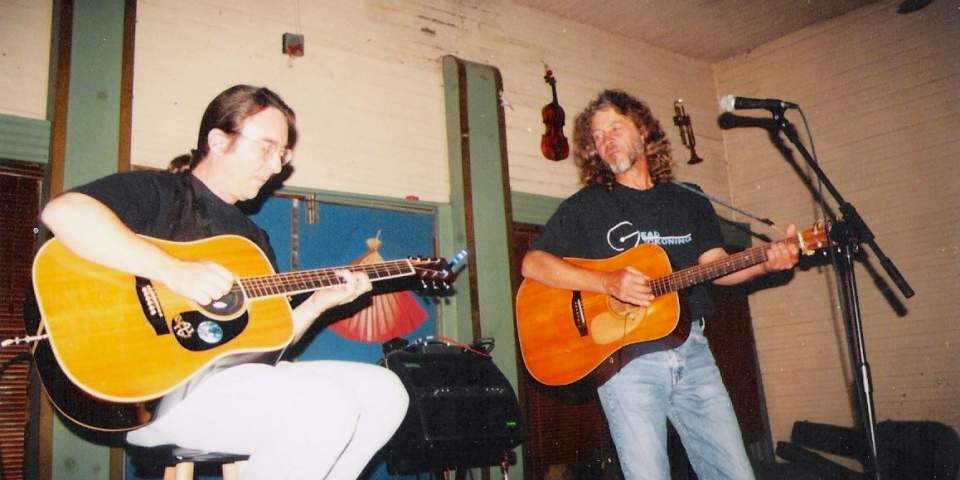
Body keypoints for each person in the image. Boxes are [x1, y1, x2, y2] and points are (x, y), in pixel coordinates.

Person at [40, 84, 409, 479]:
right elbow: (64, 212)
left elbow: (266, 345)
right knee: (324, 403)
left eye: (281, 156)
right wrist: (174, 270)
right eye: (266, 148)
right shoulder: (159, 192)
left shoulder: (252, 240)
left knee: (386, 392)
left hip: (232, 383)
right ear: (218, 140)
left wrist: (319, 303)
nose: (275, 167)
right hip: (159, 396)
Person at [520, 89, 800, 480]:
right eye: (597, 136)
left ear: (644, 130)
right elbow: (533, 263)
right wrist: (606, 282)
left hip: (693, 352)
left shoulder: (689, 202)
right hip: (626, 367)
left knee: (735, 473)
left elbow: (716, 268)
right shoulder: (587, 205)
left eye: (614, 127)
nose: (606, 140)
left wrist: (766, 263)